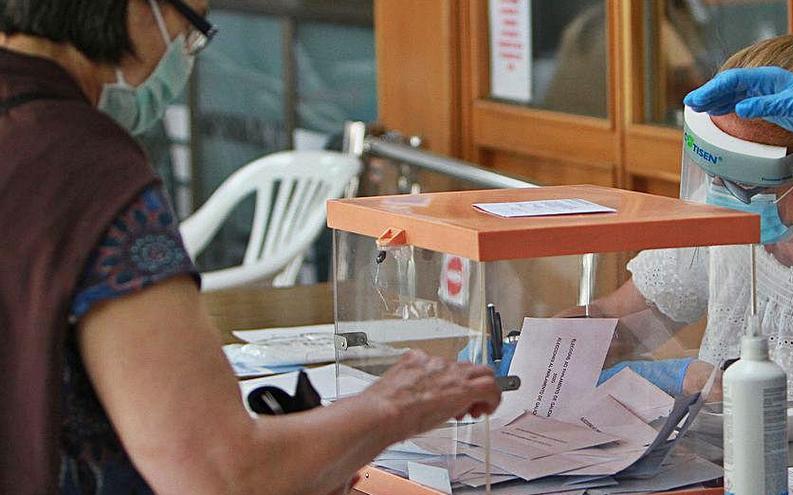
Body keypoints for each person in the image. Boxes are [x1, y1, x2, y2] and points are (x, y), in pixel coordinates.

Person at [0, 1, 501, 494]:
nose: (183, 57)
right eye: (190, 30)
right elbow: (221, 474)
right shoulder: (85, 168)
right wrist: (395, 406)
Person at [583, 35, 793, 426]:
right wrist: (536, 351)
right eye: (713, 174)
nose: (720, 195)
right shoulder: (731, 224)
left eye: (743, 183)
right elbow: (622, 326)